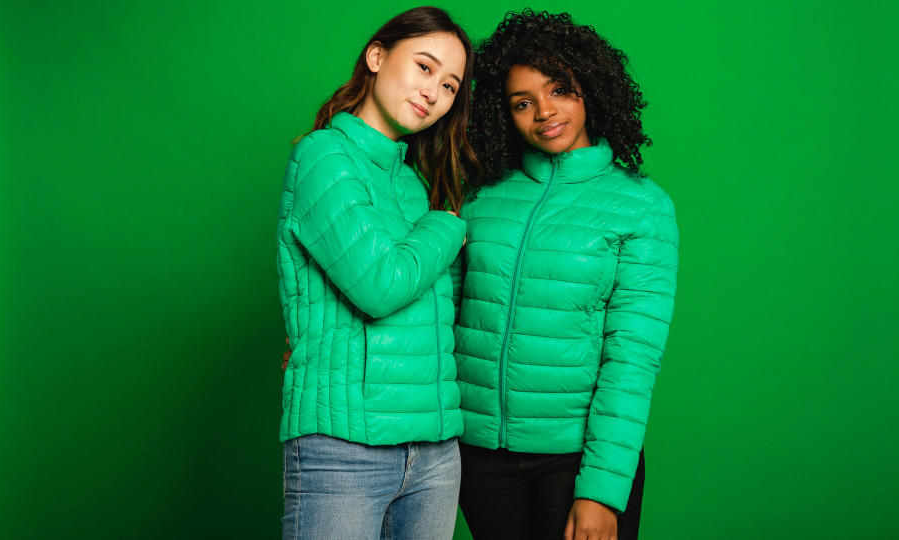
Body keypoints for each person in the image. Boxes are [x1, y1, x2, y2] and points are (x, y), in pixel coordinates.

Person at [452, 9, 679, 540]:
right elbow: (441, 309)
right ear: (501, 112)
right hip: (479, 455)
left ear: (590, 89)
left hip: (576, 461)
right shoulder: (481, 196)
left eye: (560, 90)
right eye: (522, 102)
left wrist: (600, 489)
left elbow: (633, 358)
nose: (544, 113)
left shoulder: (641, 206)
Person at [275, 7, 477, 539]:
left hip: (434, 451)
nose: (434, 92)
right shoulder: (323, 157)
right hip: (345, 449)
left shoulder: (415, 184)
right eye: (424, 67)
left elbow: (442, 313)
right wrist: (447, 227)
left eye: (451, 85)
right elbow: (380, 285)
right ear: (377, 55)